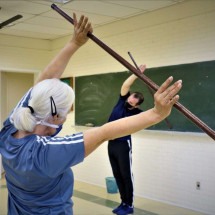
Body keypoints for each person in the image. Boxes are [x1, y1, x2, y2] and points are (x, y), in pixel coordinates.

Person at [0, 13, 182, 215]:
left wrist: (75, 43)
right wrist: (157, 113)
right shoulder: (45, 154)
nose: (67, 117)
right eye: (66, 112)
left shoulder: (10, 128)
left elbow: (43, 84)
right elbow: (105, 132)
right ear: (54, 117)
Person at [108, 66, 146, 215]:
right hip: (112, 143)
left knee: (125, 174)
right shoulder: (122, 100)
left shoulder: (138, 113)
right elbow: (126, 85)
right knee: (116, 173)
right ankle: (123, 202)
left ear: (136, 105)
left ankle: (129, 204)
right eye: (130, 98)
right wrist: (136, 74)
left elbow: (152, 115)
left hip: (123, 144)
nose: (129, 102)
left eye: (132, 102)